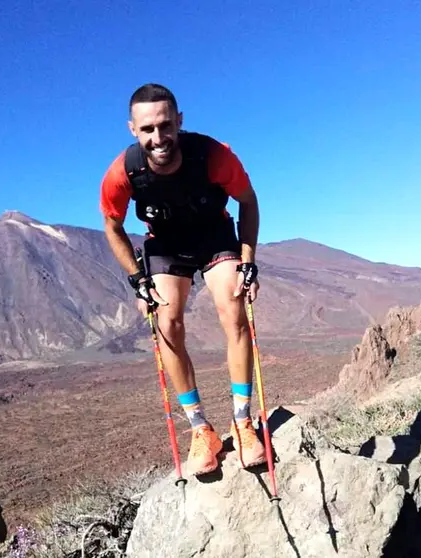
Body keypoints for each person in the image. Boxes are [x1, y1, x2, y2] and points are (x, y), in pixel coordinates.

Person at [98, 83, 266, 476]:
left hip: (215, 235)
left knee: (233, 303)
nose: (159, 138)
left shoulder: (213, 155)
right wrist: (137, 278)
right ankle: (200, 429)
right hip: (167, 243)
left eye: (165, 125)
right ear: (133, 130)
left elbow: (248, 200)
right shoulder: (124, 172)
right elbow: (112, 224)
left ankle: (242, 422)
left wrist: (249, 260)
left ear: (180, 122)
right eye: (148, 130)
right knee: (166, 321)